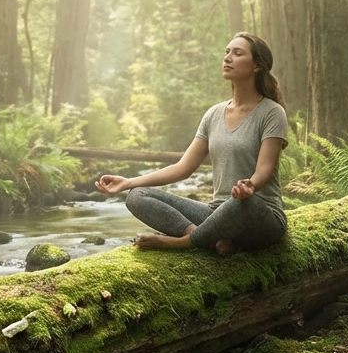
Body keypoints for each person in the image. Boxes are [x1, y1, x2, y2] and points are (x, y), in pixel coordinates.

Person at [95, 32, 289, 255]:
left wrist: (250, 186)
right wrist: (128, 182)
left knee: (243, 204)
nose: (227, 58)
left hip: (259, 215)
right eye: (227, 52)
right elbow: (182, 168)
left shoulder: (272, 113)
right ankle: (205, 237)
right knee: (137, 196)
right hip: (216, 213)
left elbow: (265, 169)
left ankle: (181, 243)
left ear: (257, 66)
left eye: (237, 53)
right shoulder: (214, 114)